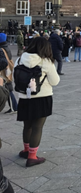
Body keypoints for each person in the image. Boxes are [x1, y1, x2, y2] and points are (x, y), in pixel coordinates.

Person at [15, 36, 60, 167]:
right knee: (37, 127)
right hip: (42, 98)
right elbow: (55, 81)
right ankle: (32, 156)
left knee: (27, 126)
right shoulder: (45, 62)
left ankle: (26, 150)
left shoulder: (19, 60)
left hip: (24, 98)